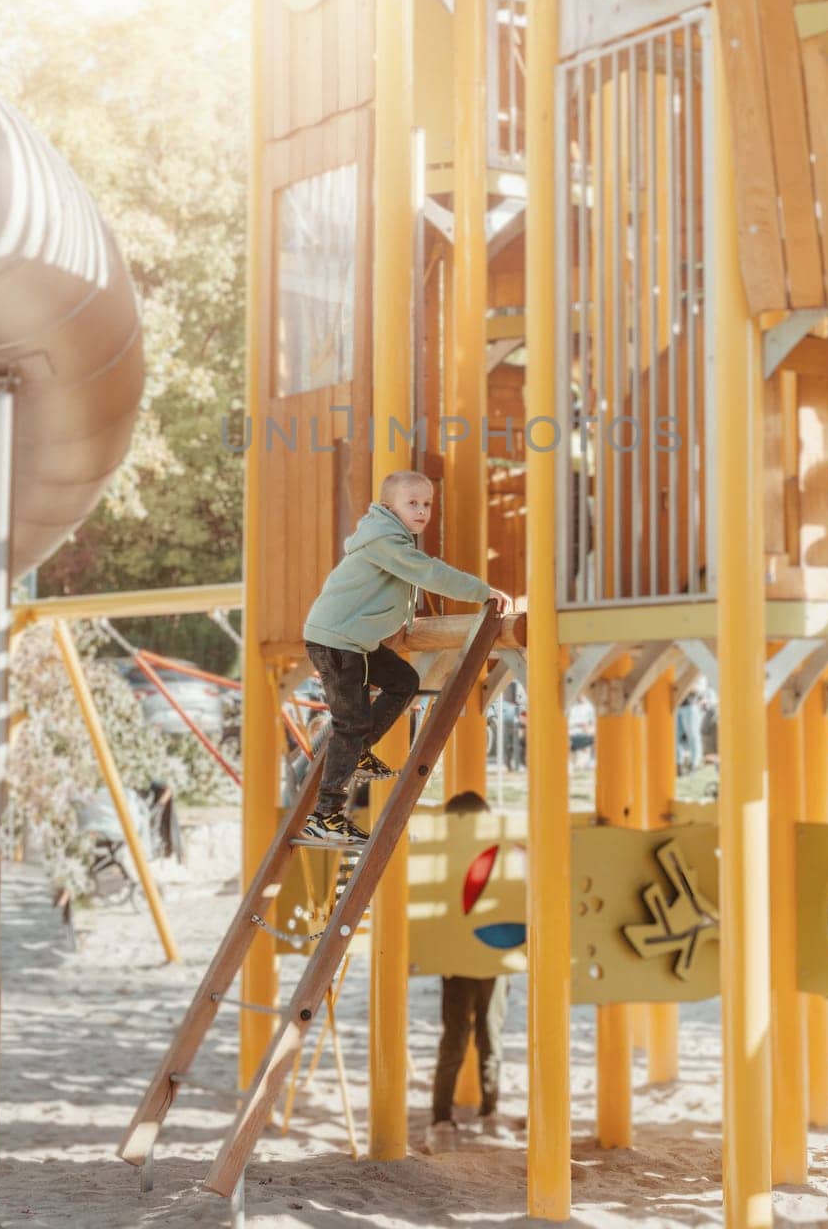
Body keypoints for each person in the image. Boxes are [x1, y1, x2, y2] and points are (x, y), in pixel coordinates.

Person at [300, 470, 511, 846]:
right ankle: (325, 816)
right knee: (350, 723)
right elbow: (428, 573)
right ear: (388, 508)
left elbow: (395, 589)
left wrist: (400, 624)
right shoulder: (383, 540)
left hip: (353, 642)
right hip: (337, 643)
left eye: (427, 503)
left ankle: (361, 751)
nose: (422, 510)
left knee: (404, 682)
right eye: (411, 503)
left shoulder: (391, 539)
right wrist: (483, 591)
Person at [427, 790, 511, 1153]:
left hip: (492, 960)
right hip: (460, 961)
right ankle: (442, 1118)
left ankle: (488, 1112)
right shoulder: (444, 861)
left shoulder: (498, 856)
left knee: (488, 1036)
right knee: (458, 1038)